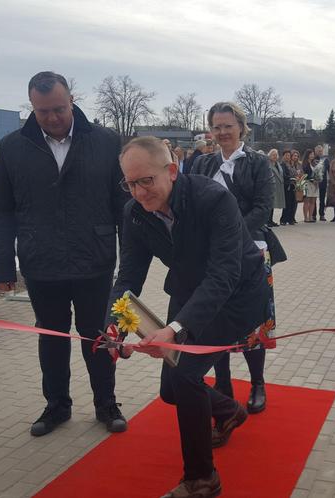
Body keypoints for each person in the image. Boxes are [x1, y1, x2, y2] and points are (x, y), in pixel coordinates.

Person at [114, 136, 272, 498]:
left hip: (237, 295)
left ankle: (202, 479)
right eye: (130, 183)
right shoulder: (134, 212)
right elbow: (128, 277)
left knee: (185, 377)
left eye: (146, 181)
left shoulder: (213, 199)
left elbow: (224, 275)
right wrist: (114, 326)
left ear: (171, 171)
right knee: (170, 390)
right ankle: (229, 410)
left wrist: (175, 329)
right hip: (188, 290)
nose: (138, 192)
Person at [0, 71, 130, 437]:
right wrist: (2, 265)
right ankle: (57, 405)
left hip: (94, 259)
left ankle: (106, 403)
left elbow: (122, 204)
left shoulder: (104, 141)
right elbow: (1, 209)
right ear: (31, 107)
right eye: (42, 111)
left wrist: (131, 261)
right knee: (51, 336)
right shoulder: (13, 148)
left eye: (59, 109)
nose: (52, 118)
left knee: (96, 336)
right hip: (41, 261)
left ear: (72, 101)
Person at [190, 101, 275, 414]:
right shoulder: (201, 164)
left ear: (241, 127)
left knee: (254, 322)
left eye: (228, 126)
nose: (222, 132)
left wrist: (230, 238)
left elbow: (263, 209)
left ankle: (257, 383)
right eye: (217, 127)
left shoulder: (258, 163)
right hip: (211, 257)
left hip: (250, 251)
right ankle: (222, 382)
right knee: (214, 319)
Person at [267, 149, 286, 227]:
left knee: (274, 205)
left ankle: (271, 220)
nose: (275, 156)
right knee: (270, 205)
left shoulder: (277, 164)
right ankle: (267, 221)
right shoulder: (267, 164)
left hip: (278, 187)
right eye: (273, 155)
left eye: (276, 155)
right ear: (269, 156)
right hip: (271, 186)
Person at [280, 150, 298, 225]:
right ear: (283, 156)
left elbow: (295, 173)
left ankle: (290, 218)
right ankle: (283, 219)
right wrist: (291, 178)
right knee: (287, 203)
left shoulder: (291, 164)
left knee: (292, 203)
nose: (288, 157)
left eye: (289, 155)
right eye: (286, 155)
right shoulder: (282, 164)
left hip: (293, 185)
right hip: (287, 185)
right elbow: (284, 175)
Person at [301, 149, 318, 222]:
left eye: (313, 154)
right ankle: (305, 217)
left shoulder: (314, 163)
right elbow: (305, 174)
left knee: (313, 201)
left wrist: (318, 179)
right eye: (311, 154)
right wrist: (312, 179)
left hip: (315, 184)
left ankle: (310, 216)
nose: (312, 155)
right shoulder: (304, 163)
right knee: (306, 201)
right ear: (307, 155)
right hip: (307, 183)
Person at [314, 144, 330, 221]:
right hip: (313, 183)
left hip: (323, 182)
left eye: (321, 151)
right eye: (318, 151)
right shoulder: (312, 159)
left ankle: (322, 215)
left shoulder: (326, 160)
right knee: (313, 199)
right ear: (315, 151)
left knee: (322, 199)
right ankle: (313, 215)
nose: (320, 152)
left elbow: (329, 171)